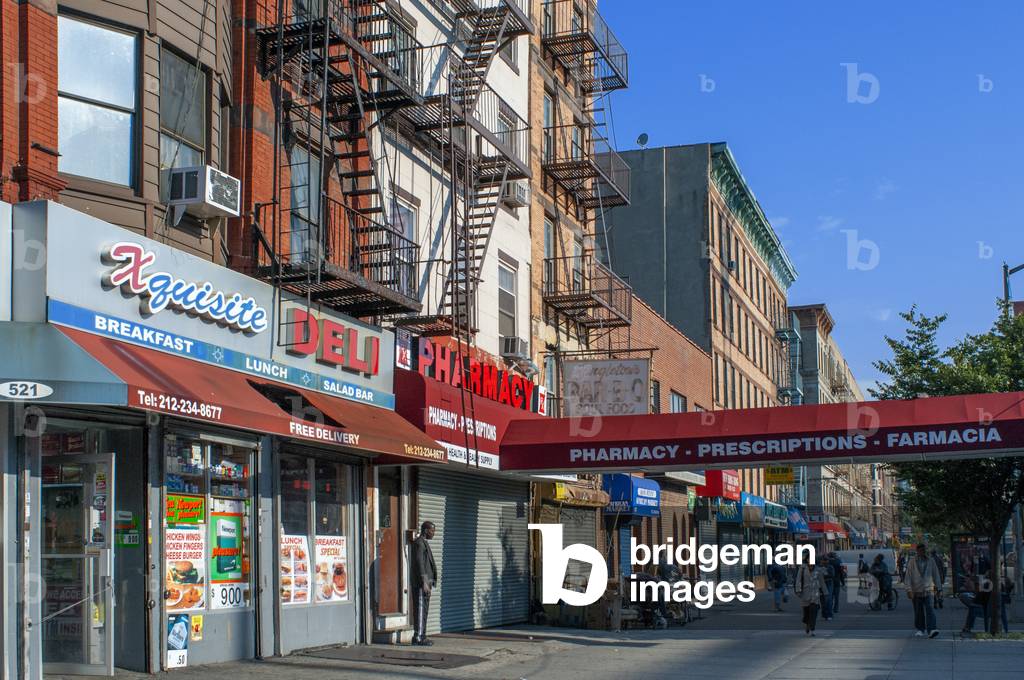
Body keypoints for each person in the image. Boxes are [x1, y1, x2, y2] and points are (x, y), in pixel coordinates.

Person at [410, 521, 437, 646]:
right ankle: (418, 637)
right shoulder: (419, 543)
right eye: (432, 530)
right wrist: (424, 582)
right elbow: (419, 563)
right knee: (420, 610)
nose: (433, 533)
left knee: (424, 610)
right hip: (421, 584)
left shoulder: (423, 543)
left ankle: (422, 635)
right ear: (426, 530)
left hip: (426, 583)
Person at [906, 543, 941, 638]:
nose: (923, 552)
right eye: (921, 550)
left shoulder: (931, 560)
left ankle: (932, 629)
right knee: (918, 611)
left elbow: (936, 574)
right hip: (916, 590)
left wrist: (938, 587)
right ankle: (920, 629)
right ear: (917, 551)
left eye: (924, 550)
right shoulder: (912, 561)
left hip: (928, 589)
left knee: (930, 609)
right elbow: (908, 576)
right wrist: (908, 589)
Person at [796, 561, 828, 635]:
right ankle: (807, 624)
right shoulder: (802, 568)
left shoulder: (818, 570)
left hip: (815, 594)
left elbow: (822, 582)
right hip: (805, 593)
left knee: (814, 612)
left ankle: (812, 629)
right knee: (806, 613)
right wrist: (798, 590)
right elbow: (798, 580)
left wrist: (825, 592)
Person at [818, 555, 835, 620]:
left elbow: (832, 575)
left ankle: (829, 614)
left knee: (828, 599)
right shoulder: (819, 567)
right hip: (822, 584)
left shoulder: (830, 567)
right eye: (823, 560)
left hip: (828, 583)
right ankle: (824, 614)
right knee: (822, 600)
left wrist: (824, 575)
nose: (824, 561)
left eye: (826, 560)